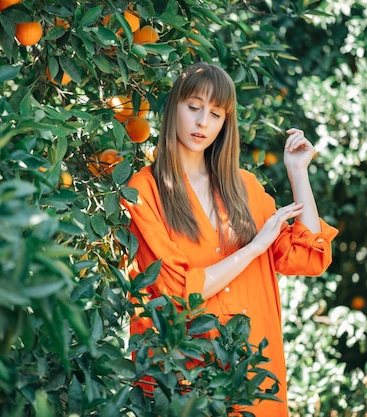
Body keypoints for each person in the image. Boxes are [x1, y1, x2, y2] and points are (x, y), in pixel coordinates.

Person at [122, 62, 339, 416]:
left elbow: (307, 258)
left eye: (216, 113)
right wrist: (254, 248)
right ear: (173, 107)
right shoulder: (144, 190)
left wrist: (298, 174)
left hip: (252, 379)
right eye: (193, 107)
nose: (203, 122)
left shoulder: (245, 188)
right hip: (182, 382)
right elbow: (179, 291)